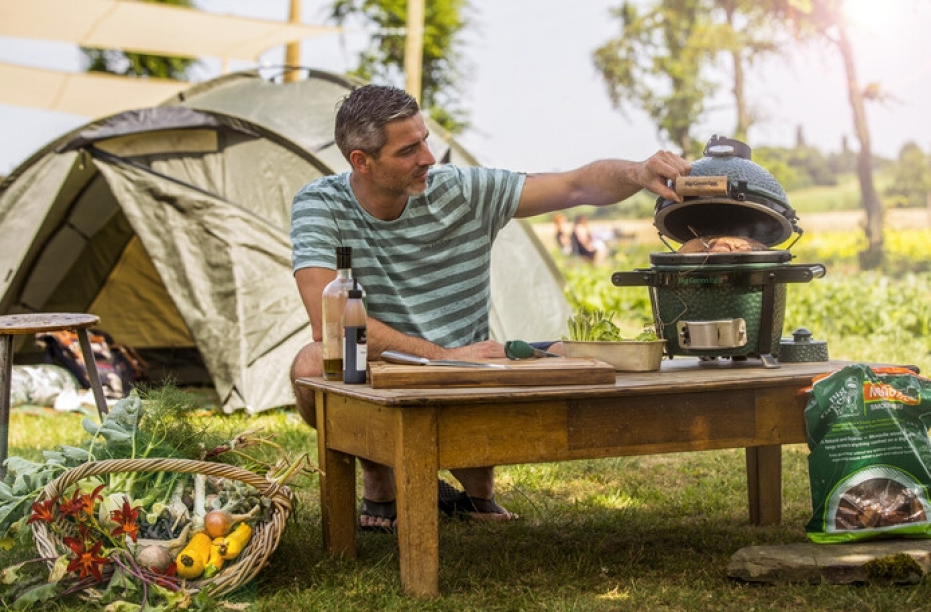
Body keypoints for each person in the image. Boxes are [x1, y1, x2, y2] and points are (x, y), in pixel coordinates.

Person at [289, 85, 691, 532]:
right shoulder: (320, 203)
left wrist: (638, 172)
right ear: (361, 161)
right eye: (408, 150)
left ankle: (474, 494)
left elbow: (576, 184)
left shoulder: (464, 190)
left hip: (473, 370)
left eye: (425, 140)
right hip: (385, 370)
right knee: (310, 362)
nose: (428, 157)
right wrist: (439, 357)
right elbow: (329, 319)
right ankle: (379, 478)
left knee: (581, 354)